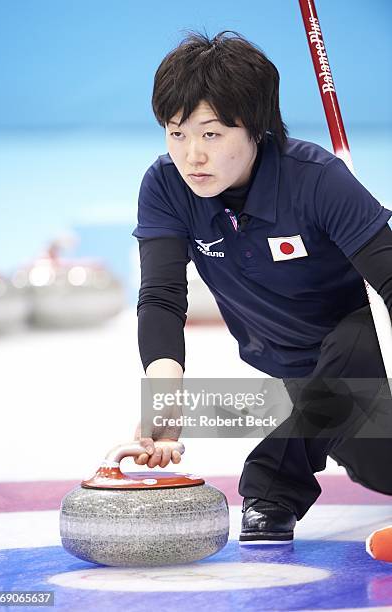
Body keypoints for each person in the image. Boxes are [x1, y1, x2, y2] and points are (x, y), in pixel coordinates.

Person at [131, 30, 392, 544]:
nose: (191, 156)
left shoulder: (318, 179)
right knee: (381, 468)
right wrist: (164, 402)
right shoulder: (165, 186)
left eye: (211, 134)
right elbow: (161, 296)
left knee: (353, 337)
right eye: (176, 133)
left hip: (371, 363)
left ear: (255, 127)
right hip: (304, 382)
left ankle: (272, 488)